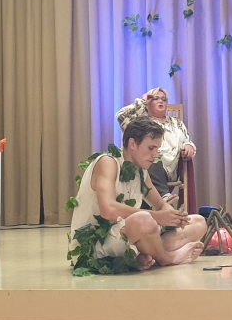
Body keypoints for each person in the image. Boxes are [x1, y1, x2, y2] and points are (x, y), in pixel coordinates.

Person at [68, 116, 206, 274]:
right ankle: (166, 258)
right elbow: (108, 210)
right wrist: (158, 217)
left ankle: (143, 254)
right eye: (151, 148)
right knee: (144, 220)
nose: (155, 155)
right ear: (132, 143)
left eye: (157, 149)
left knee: (198, 222)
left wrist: (174, 217)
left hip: (128, 236)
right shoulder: (108, 162)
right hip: (94, 247)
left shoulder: (141, 171)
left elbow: (160, 204)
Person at [116, 88, 195, 209]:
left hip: (169, 168)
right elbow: (121, 116)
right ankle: (163, 197)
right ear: (147, 104)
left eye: (164, 99)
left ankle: (159, 205)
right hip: (147, 163)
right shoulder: (142, 122)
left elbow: (187, 140)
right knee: (152, 158)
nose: (161, 101)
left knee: (153, 160)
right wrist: (142, 101)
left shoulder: (177, 123)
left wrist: (189, 146)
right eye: (156, 98)